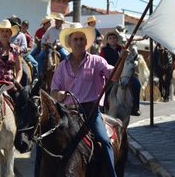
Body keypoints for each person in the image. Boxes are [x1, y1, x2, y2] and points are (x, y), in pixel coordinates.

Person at [50, 23, 128, 177]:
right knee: (44, 142)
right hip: (67, 113)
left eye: (81, 39)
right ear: (70, 43)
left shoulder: (97, 61)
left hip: (90, 111)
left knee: (104, 141)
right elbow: (53, 91)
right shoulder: (61, 67)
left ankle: (111, 174)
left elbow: (115, 76)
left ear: (86, 43)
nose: (78, 42)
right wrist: (59, 94)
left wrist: (122, 59)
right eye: (75, 39)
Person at [100, 30, 141, 116]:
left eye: (114, 38)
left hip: (124, 72)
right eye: (110, 38)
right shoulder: (104, 50)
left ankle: (135, 108)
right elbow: (102, 62)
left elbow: (129, 59)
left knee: (137, 84)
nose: (112, 40)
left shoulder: (123, 48)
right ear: (107, 40)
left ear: (117, 39)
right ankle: (102, 108)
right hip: (110, 74)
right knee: (103, 89)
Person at [37, 13, 69, 78]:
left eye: (59, 20)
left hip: (60, 48)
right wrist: (43, 43)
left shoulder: (64, 31)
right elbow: (44, 37)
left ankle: (66, 74)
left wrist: (58, 44)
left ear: (61, 22)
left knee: (66, 56)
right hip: (50, 47)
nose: (57, 22)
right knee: (40, 57)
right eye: (56, 20)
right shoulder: (50, 29)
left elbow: (65, 41)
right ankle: (41, 74)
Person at [8, 16, 39, 82]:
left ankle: (31, 83)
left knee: (26, 73)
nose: (12, 26)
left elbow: (25, 47)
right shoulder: (6, 33)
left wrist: (18, 48)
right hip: (5, 55)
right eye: (11, 24)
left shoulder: (22, 35)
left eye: (14, 25)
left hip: (18, 56)